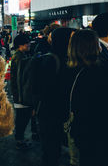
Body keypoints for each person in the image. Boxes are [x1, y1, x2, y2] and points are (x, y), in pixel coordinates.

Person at [66, 29, 108, 166]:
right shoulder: (105, 70)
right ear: (94, 46)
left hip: (82, 132)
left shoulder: (69, 70)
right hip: (105, 132)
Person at [32, 27, 75, 166]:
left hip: (59, 113)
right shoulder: (51, 60)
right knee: (51, 150)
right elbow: (45, 90)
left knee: (56, 148)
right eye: (71, 38)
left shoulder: (66, 58)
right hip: (50, 114)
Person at [10, 34, 36, 150]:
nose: (29, 44)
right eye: (27, 43)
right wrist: (21, 97)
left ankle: (20, 139)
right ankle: (19, 140)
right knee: (22, 118)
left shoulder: (20, 55)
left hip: (20, 94)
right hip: (20, 95)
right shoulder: (19, 57)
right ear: (20, 45)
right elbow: (20, 78)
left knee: (22, 118)